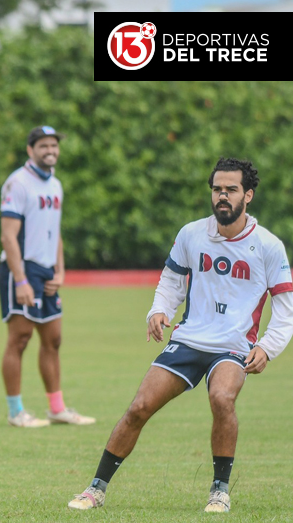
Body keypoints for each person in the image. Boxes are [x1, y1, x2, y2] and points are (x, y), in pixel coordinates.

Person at [68, 158, 293, 513]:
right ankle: (95, 489)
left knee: (222, 398)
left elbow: (285, 307)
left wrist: (268, 347)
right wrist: (159, 310)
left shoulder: (268, 246)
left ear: (247, 195)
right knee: (139, 406)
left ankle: (219, 491)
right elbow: (171, 280)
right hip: (188, 340)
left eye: (231, 189)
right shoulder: (191, 234)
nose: (222, 196)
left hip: (234, 347)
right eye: (217, 189)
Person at [0, 125, 94, 428]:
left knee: (53, 340)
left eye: (54, 145)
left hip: (47, 270)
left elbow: (56, 232)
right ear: (30, 150)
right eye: (43, 146)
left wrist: (60, 270)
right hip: (22, 268)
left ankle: (56, 408)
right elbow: (8, 237)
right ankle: (16, 412)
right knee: (20, 338)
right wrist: (21, 280)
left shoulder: (56, 185)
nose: (50, 150)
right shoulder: (18, 183)